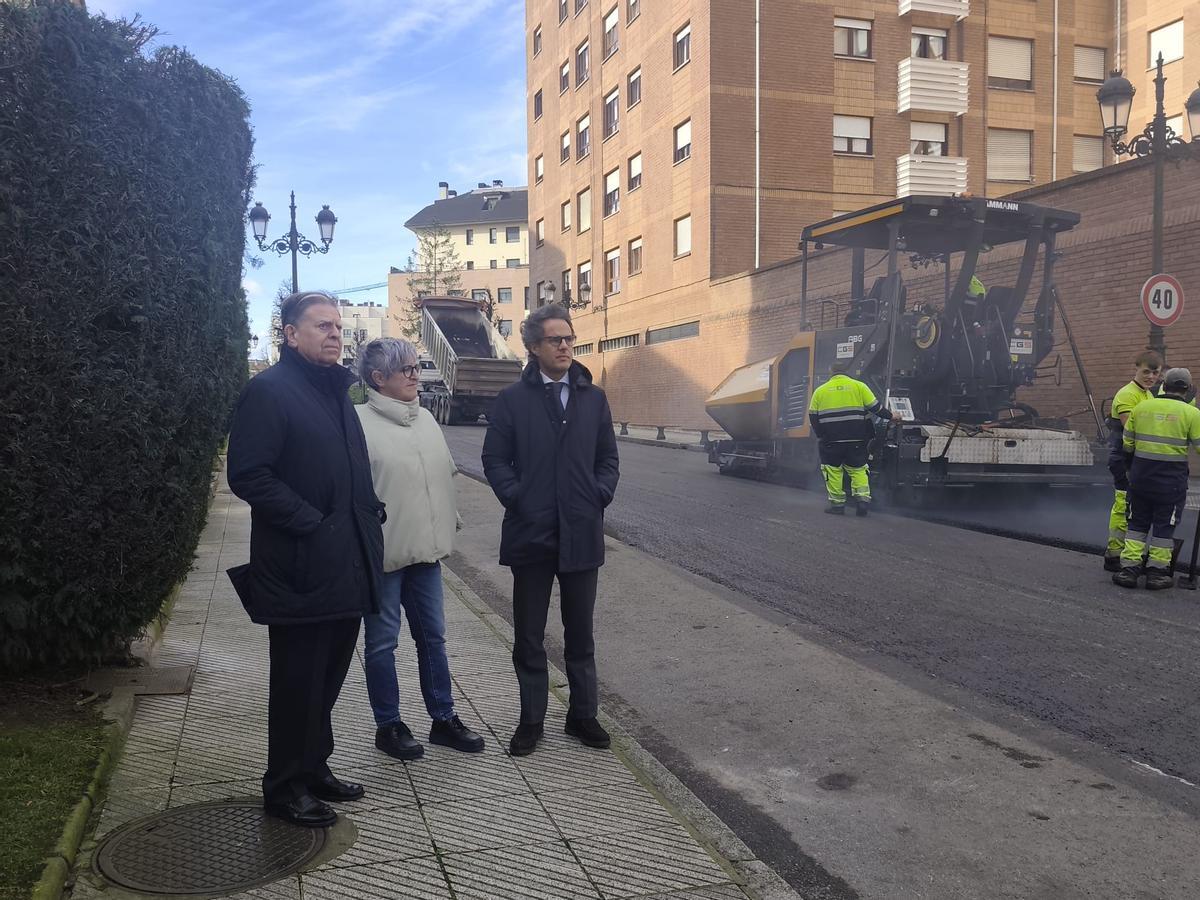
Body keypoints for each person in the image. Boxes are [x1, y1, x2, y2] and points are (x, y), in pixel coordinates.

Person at [226, 291, 386, 828]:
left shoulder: (338, 391)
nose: (335, 334)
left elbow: (346, 467)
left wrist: (368, 512)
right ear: (290, 335)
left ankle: (315, 769)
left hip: (347, 562)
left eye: (338, 326)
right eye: (321, 325)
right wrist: (311, 523)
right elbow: (248, 474)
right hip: (301, 564)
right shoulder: (269, 391)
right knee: (297, 683)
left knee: (329, 678)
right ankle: (284, 786)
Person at [481, 303, 620, 757]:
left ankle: (582, 715)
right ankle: (532, 720)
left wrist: (598, 493)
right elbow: (494, 459)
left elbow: (608, 459)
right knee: (529, 635)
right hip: (531, 533)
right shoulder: (512, 401)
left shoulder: (593, 398)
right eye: (555, 340)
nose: (565, 346)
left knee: (581, 633)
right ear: (533, 347)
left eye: (568, 338)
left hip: (581, 530)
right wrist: (518, 496)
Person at [355, 337, 486, 759]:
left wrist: (449, 523)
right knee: (381, 644)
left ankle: (443, 719)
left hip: (427, 554)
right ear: (378, 378)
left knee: (434, 638)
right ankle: (388, 725)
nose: (415, 374)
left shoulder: (426, 419)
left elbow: (444, 475)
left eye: (416, 367)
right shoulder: (356, 423)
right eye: (405, 369)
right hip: (384, 558)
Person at [1112, 367, 1200, 591]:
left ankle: (1129, 570)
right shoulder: (1192, 414)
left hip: (1141, 478)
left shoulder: (1141, 407)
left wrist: (1133, 469)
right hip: (1170, 483)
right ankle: (1156, 573)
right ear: (1188, 389)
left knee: (1137, 523)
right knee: (1163, 527)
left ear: (1164, 385)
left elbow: (1128, 444)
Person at [807, 361, 898, 516]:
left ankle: (837, 506)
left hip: (831, 441)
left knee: (833, 471)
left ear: (831, 371)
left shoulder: (820, 391)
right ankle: (862, 501)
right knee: (858, 469)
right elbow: (876, 408)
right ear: (847, 371)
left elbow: (813, 416)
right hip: (856, 439)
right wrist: (892, 416)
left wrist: (821, 435)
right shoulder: (859, 386)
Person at [1103, 351, 1163, 572]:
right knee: (1122, 505)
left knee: (1134, 507)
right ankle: (1114, 553)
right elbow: (1131, 430)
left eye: (1155, 373)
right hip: (1124, 457)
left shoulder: (1148, 396)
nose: (1150, 377)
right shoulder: (1128, 395)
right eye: (1146, 371)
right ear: (1136, 368)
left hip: (1138, 459)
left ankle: (1127, 552)